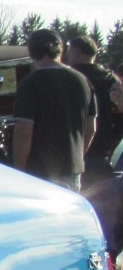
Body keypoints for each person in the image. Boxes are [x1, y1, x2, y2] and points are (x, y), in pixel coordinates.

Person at [11, 29, 95, 189]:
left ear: (32, 51)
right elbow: (91, 128)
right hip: (72, 169)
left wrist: (19, 171)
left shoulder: (30, 84)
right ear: (60, 49)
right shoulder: (82, 81)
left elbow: (24, 132)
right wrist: (77, 156)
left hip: (39, 172)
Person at [65, 34, 120, 175]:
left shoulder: (70, 79)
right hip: (104, 150)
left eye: (69, 51)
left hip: (73, 149)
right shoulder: (110, 79)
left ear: (76, 52)